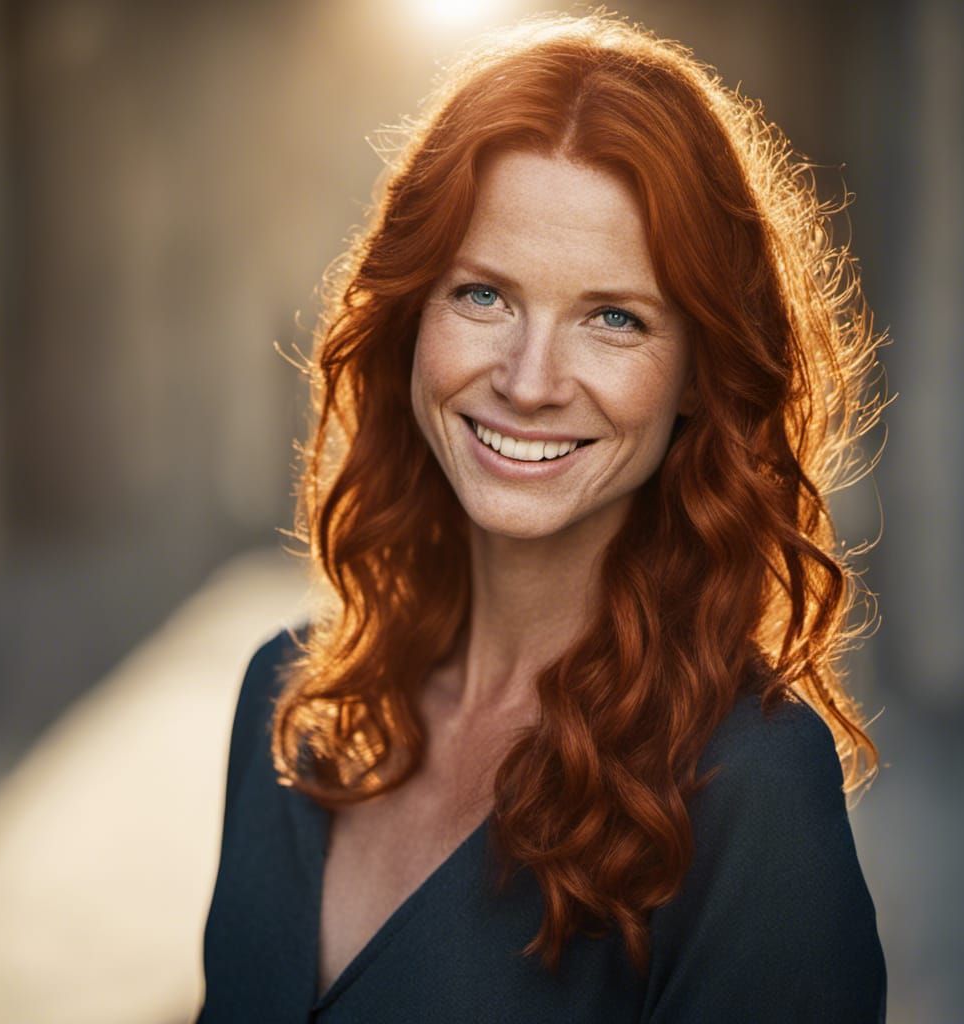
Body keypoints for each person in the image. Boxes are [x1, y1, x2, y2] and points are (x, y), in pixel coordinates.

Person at [195, 10, 889, 1022]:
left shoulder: (748, 787)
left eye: (614, 317)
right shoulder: (291, 709)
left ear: (699, 372)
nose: (527, 381)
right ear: (410, 315)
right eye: (483, 295)